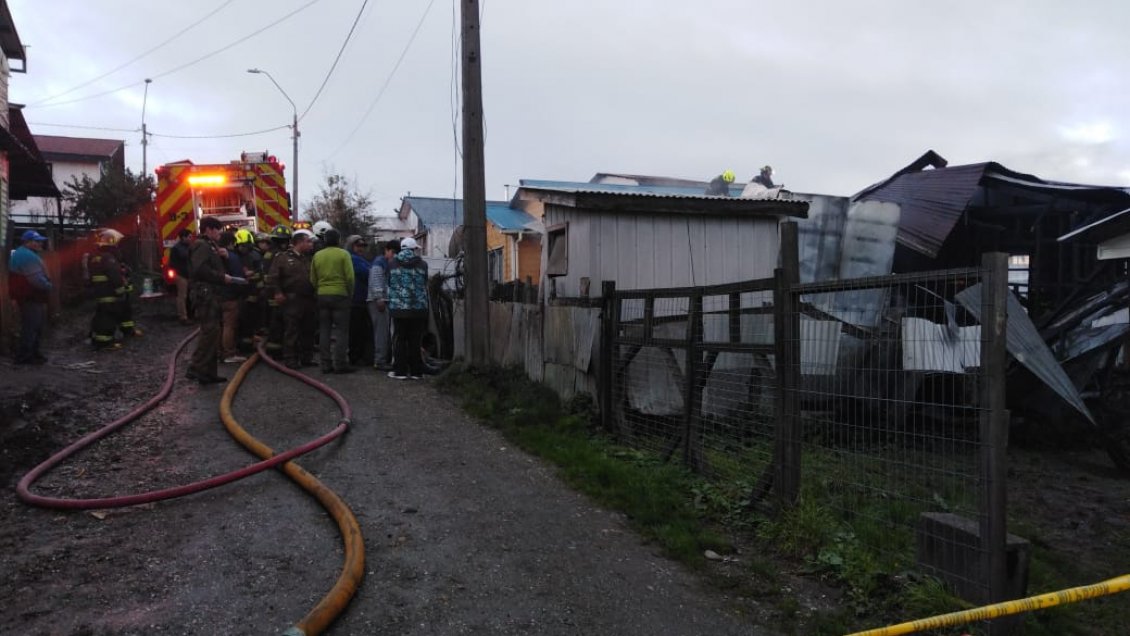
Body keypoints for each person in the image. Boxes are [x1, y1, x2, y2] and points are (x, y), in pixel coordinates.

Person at [187, 216, 234, 385]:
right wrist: (221, 277)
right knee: (209, 331)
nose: (220, 234)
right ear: (208, 229)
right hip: (205, 295)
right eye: (217, 230)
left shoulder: (211, 246)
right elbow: (200, 269)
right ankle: (196, 367)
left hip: (212, 294)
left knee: (214, 332)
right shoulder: (202, 245)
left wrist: (225, 257)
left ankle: (209, 372)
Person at [268, 228, 316, 369]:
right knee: (292, 330)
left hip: (308, 299)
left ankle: (307, 357)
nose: (311, 244)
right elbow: (273, 277)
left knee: (308, 329)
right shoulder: (282, 258)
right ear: (299, 243)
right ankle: (290, 359)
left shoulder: (307, 258)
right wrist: (278, 292)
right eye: (308, 242)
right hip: (291, 300)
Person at [310, 228, 356, 374]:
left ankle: (325, 364)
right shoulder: (343, 254)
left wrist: (319, 289)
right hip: (340, 295)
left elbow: (313, 278)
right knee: (342, 331)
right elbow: (350, 277)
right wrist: (350, 293)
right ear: (338, 240)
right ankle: (340, 363)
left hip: (322, 296)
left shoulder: (317, 255)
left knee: (324, 330)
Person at [387, 237, 429, 380]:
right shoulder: (423, 264)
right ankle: (416, 372)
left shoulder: (392, 263)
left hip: (398, 308)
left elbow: (389, 282)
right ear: (414, 249)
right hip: (418, 308)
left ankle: (400, 371)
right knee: (415, 339)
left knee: (400, 339)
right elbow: (425, 282)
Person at [7, 229, 52, 364]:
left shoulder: (24, 253)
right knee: (31, 327)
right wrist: (49, 285)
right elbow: (36, 279)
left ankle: (33, 353)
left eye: (40, 241)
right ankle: (25, 356)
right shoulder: (27, 256)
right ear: (28, 242)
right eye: (37, 241)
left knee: (34, 326)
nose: (40, 244)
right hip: (30, 296)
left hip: (29, 296)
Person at [88, 228, 130, 351]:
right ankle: (105, 343)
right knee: (108, 318)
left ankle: (97, 339)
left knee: (100, 316)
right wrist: (121, 291)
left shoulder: (95, 256)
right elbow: (115, 276)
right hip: (109, 293)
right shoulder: (108, 258)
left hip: (100, 292)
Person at [367, 238, 398, 371]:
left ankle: (382, 359)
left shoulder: (386, 263)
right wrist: (379, 298)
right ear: (386, 250)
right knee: (381, 332)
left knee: (384, 332)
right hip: (378, 301)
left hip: (382, 300)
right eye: (393, 252)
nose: (394, 255)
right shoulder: (379, 263)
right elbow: (376, 280)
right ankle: (380, 361)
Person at [217, 231, 247, 364]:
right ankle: (229, 353)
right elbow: (237, 276)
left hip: (218, 295)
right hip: (230, 296)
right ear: (231, 243)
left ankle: (219, 351)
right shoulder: (232, 257)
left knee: (220, 325)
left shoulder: (216, 255)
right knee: (229, 326)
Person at [345, 235, 374, 367]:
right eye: (358, 245)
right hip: (355, 300)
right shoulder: (352, 259)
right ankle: (355, 357)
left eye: (363, 246)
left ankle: (360, 355)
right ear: (351, 246)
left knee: (361, 329)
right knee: (356, 330)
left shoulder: (361, 259)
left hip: (362, 299)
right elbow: (368, 273)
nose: (361, 248)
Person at [263, 225, 292, 353]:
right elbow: (274, 275)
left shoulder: (270, 253)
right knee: (277, 321)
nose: (285, 244)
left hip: (272, 292)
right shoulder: (277, 255)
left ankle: (275, 347)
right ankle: (276, 349)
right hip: (276, 292)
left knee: (274, 320)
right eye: (283, 241)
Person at [170, 229, 193, 325]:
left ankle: (190, 314)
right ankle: (183, 317)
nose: (191, 238)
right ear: (183, 237)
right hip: (181, 275)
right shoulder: (177, 248)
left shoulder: (189, 247)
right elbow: (173, 263)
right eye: (189, 237)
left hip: (188, 275)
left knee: (189, 296)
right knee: (182, 297)